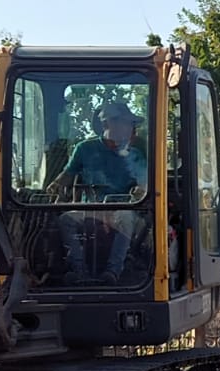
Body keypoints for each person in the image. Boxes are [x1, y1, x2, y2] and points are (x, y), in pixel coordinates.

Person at [47, 99, 148, 284]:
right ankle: (78, 271)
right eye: (126, 122)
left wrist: (139, 193)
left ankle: (113, 272)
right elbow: (67, 175)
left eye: (130, 124)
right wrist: (53, 187)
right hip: (89, 210)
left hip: (121, 210)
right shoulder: (85, 149)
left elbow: (144, 185)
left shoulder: (135, 155)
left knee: (126, 217)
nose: (130, 128)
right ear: (107, 124)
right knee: (65, 219)